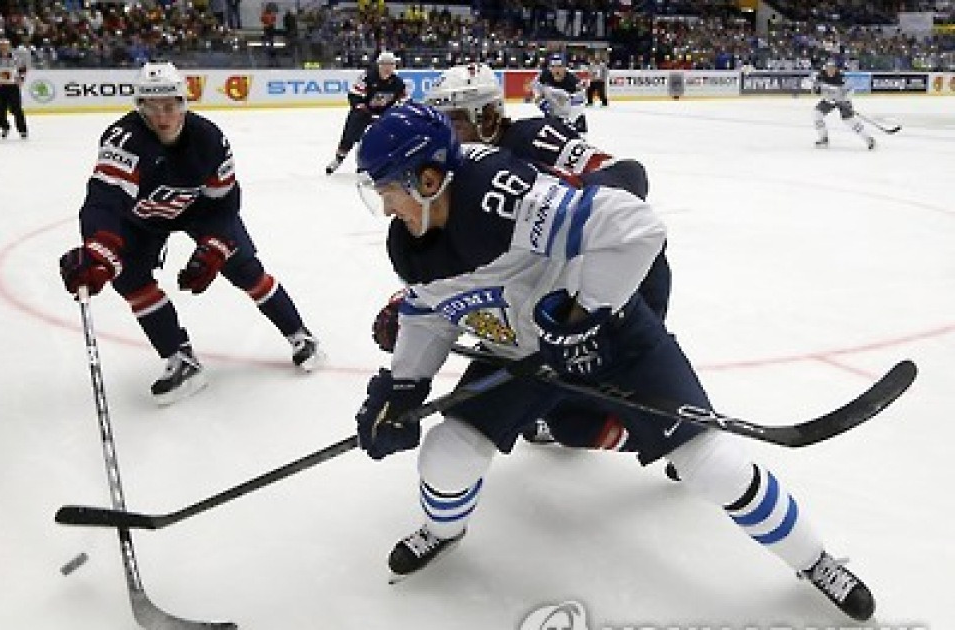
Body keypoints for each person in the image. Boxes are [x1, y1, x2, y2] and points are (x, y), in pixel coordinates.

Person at [351, 102, 875, 622]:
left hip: (613, 335)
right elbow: (432, 311)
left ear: (426, 179)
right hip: (519, 354)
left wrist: (581, 318)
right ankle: (444, 532)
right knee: (446, 455)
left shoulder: (500, 198)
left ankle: (816, 561)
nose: (386, 206)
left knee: (715, 469)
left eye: (388, 191)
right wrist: (404, 387)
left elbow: (634, 226)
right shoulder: (409, 245)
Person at [382, 61, 668, 454]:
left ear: (488, 116)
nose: (445, 134)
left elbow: (629, 175)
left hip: (621, 278)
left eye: (454, 122)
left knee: (609, 391)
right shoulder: (457, 176)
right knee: (569, 422)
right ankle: (631, 431)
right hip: (543, 309)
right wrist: (420, 303)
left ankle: (671, 431)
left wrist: (571, 198)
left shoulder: (532, 138)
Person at [58, 62, 324, 405]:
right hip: (141, 220)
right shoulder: (123, 139)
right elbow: (105, 199)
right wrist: (100, 248)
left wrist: (215, 245)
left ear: (184, 102)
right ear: (139, 107)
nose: (161, 116)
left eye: (170, 105)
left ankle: (300, 335)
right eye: (150, 107)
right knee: (130, 280)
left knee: (244, 268)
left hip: (199, 212)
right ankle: (180, 359)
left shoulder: (210, 139)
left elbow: (224, 205)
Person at [324, 51, 408, 175]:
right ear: (379, 65)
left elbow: (404, 100)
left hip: (385, 114)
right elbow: (354, 95)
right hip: (364, 112)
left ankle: (379, 162)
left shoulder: (398, 83)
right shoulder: (367, 77)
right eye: (384, 64)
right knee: (351, 132)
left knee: (390, 136)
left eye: (391, 64)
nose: (388, 68)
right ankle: (338, 159)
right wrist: (360, 106)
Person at [809, 59, 874, 150]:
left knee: (849, 120)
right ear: (825, 68)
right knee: (816, 114)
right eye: (828, 68)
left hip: (843, 100)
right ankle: (824, 138)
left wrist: (844, 100)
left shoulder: (841, 77)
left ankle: (868, 139)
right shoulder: (821, 76)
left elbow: (850, 90)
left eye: (832, 68)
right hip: (829, 100)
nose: (830, 70)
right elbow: (816, 90)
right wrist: (817, 89)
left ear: (835, 69)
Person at [528, 53, 588, 133]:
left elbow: (580, 104)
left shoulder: (574, 81)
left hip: (573, 119)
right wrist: (542, 103)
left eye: (559, 66)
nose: (556, 69)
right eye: (553, 66)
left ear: (564, 67)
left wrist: (569, 121)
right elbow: (535, 90)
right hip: (552, 117)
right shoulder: (543, 76)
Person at [0, 37, 29, 139]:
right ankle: (5, 127)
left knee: (17, 109)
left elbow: (22, 69)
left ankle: (22, 130)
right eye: (2, 45)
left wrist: (21, 79)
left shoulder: (16, 58)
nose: (4, 48)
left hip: (12, 87)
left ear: (9, 47)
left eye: (6, 45)